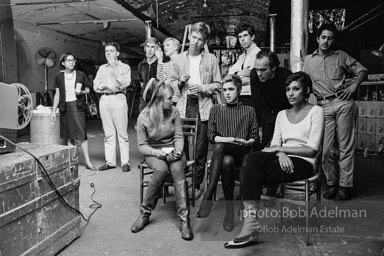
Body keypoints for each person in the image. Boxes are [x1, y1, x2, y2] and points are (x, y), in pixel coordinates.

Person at [224, 72, 324, 248]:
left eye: (296, 89)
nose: (290, 93)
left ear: (306, 90)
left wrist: (279, 149)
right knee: (250, 158)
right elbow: (274, 146)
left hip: (304, 162)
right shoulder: (281, 114)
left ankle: (250, 227)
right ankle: (251, 226)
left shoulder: (316, 111)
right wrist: (281, 153)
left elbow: (311, 149)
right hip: (282, 158)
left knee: (251, 173)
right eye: (287, 89)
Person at [303, 23, 368, 200]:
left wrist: (354, 86)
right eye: (323, 37)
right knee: (325, 149)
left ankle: (344, 186)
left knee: (345, 146)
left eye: (329, 38)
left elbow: (362, 70)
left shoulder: (341, 56)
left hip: (343, 103)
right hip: (322, 106)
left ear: (333, 41)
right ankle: (331, 183)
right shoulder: (308, 60)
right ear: (317, 38)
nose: (326, 41)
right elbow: (304, 83)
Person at [131, 83, 194, 241]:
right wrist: (155, 152)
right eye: (169, 98)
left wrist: (178, 151)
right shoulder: (144, 117)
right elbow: (142, 146)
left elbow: (179, 136)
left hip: (174, 149)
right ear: (158, 100)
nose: (172, 101)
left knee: (178, 169)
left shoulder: (174, 111)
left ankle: (184, 221)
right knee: (160, 170)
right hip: (154, 151)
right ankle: (145, 214)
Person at [196, 74, 258, 233]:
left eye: (231, 89)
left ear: (239, 90)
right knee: (226, 160)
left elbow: (254, 137)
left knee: (221, 148)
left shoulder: (249, 110)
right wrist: (226, 139)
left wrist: (246, 142)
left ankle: (209, 195)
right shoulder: (215, 109)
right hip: (224, 155)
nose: (227, 93)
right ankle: (229, 213)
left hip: (242, 152)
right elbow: (211, 136)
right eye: (224, 90)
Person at [170, 22, 222, 199]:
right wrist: (180, 83)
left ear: (204, 41)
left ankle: (198, 184)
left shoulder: (211, 59)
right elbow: (170, 84)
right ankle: (182, 181)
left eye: (200, 39)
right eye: (193, 37)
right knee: (181, 146)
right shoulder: (177, 59)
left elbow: (218, 85)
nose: (195, 42)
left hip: (203, 106)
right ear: (190, 36)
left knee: (200, 148)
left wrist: (202, 88)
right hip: (183, 106)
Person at [51, 53, 96, 171]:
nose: (71, 62)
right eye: (68, 60)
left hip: (78, 106)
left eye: (73, 60)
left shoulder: (81, 75)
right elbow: (57, 94)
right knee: (69, 135)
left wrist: (81, 92)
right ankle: (72, 161)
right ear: (63, 63)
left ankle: (88, 162)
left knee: (82, 135)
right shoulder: (59, 78)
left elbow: (87, 88)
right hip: (65, 107)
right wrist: (53, 111)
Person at [93, 42, 131, 172]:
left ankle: (125, 162)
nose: (108, 53)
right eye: (106, 51)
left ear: (117, 53)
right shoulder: (102, 68)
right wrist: (106, 86)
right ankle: (110, 162)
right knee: (108, 133)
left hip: (118, 98)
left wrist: (115, 68)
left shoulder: (124, 67)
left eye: (111, 51)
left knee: (122, 133)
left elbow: (125, 83)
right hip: (105, 99)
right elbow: (96, 85)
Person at [250, 49, 292, 150]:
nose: (259, 73)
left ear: (273, 67)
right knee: (258, 143)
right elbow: (256, 101)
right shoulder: (255, 74)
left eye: (263, 70)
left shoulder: (286, 75)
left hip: (285, 113)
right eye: (257, 69)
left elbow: (292, 102)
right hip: (268, 113)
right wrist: (258, 126)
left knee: (283, 145)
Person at [227, 23, 261, 106]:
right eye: (240, 37)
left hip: (252, 96)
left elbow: (249, 79)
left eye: (245, 35)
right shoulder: (242, 56)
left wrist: (234, 76)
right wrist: (239, 73)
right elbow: (229, 74)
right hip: (242, 96)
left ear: (252, 37)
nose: (242, 39)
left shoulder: (258, 54)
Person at [156, 37, 181, 105]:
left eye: (167, 45)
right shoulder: (166, 64)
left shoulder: (183, 61)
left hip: (180, 101)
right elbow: (160, 78)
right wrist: (160, 59)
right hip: (169, 100)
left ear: (176, 47)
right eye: (164, 46)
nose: (165, 48)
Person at [138, 37, 161, 112]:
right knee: (143, 121)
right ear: (144, 48)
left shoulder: (161, 63)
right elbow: (141, 83)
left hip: (157, 99)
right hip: (144, 99)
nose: (150, 49)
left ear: (157, 49)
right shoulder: (141, 64)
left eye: (153, 47)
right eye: (147, 46)